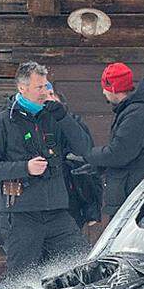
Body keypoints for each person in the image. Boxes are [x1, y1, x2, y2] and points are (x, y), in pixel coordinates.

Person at [0, 62, 93, 278]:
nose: (44, 92)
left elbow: (84, 148)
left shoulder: (54, 116)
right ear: (22, 88)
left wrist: (63, 116)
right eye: (39, 87)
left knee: (84, 265)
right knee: (21, 278)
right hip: (21, 214)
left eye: (46, 86)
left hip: (57, 211)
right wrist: (25, 168)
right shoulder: (3, 122)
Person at [85, 62, 144, 220]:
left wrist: (87, 155)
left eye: (105, 87)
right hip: (135, 194)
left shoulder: (137, 114)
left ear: (113, 87)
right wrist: (96, 166)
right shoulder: (139, 110)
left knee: (128, 245)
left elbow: (119, 154)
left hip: (132, 198)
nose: (103, 92)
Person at [44, 83, 103, 233]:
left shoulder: (75, 124)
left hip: (71, 198)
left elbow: (88, 165)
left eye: (52, 97)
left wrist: (92, 210)